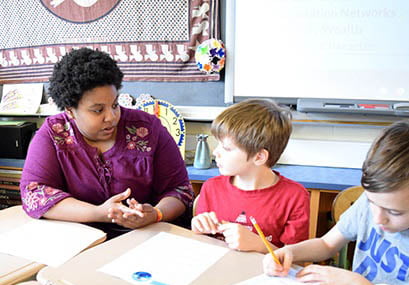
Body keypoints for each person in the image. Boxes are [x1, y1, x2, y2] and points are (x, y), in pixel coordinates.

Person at [20, 48, 194, 238]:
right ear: (70, 111)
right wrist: (99, 213)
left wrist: (156, 214)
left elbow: (180, 190)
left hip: (145, 238)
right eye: (97, 110)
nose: (111, 117)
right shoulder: (53, 134)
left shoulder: (148, 129)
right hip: (81, 242)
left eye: (115, 104)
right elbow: (35, 194)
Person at [263, 120, 409, 285]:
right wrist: (289, 252)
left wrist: (356, 283)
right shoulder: (372, 203)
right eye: (371, 201)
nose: (378, 218)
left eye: (394, 212)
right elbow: (327, 244)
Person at [191, 99, 310, 253]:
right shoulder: (212, 187)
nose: (215, 152)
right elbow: (203, 243)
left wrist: (259, 245)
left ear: (259, 157)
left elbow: (296, 260)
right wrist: (198, 227)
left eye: (226, 148)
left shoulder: (294, 197)